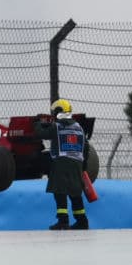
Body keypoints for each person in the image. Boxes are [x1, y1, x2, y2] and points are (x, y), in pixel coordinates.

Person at [36, 98, 89, 230]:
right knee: (75, 192)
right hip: (77, 163)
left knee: (60, 191)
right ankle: (82, 221)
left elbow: (41, 134)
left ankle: (63, 221)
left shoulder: (57, 126)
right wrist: (83, 166)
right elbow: (86, 148)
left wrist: (37, 123)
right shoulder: (79, 127)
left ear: (59, 112)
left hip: (61, 163)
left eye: (54, 112)